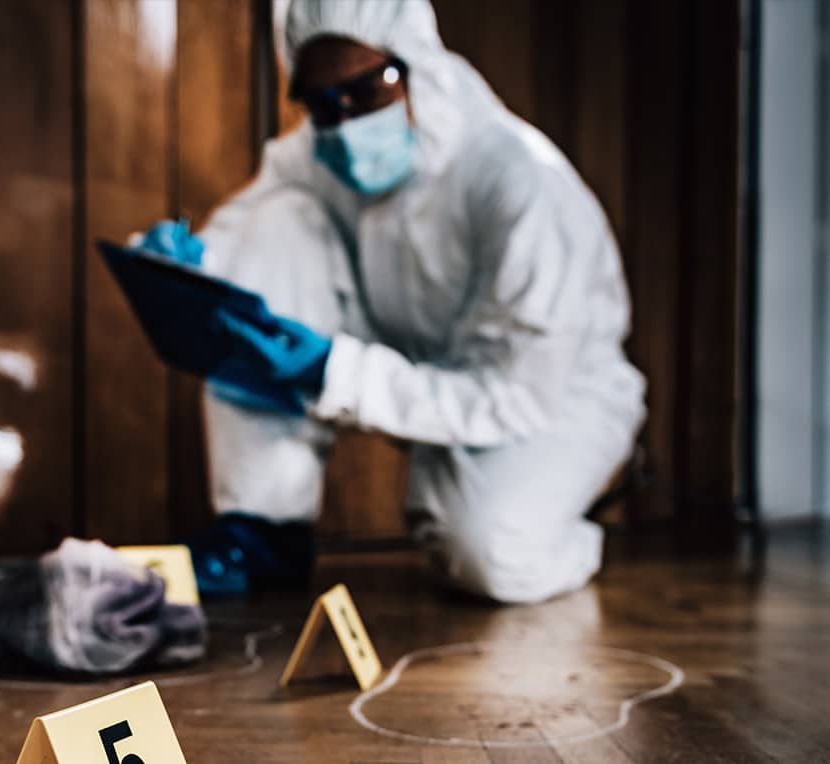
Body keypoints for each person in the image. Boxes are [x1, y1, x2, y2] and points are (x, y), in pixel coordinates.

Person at [139, 0, 645, 604]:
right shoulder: (318, 148)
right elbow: (250, 228)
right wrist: (191, 266)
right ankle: (263, 532)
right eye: (323, 103)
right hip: (412, 363)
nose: (346, 122)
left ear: (416, 66)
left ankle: (581, 508)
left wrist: (333, 371)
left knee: (492, 556)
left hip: (550, 396)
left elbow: (516, 391)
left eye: (367, 89)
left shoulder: (519, 182)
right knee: (277, 223)